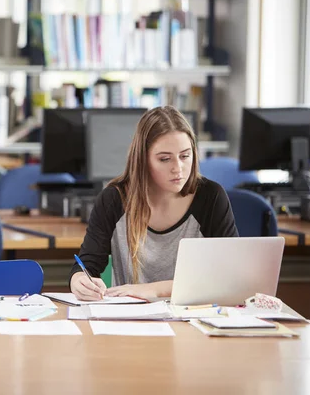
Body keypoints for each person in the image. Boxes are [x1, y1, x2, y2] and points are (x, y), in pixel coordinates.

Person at [70, 106, 238, 301]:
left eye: (185, 156)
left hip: (194, 317)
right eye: (165, 159)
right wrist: (79, 280)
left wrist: (155, 290)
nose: (178, 168)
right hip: (130, 319)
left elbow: (229, 276)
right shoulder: (114, 199)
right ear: (143, 159)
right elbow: (86, 264)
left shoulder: (211, 197)